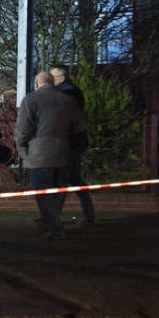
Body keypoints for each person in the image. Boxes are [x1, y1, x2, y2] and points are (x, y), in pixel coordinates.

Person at [15, 71, 87, 239]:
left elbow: (23, 129)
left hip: (39, 152)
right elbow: (79, 126)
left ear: (37, 84)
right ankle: (50, 223)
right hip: (63, 150)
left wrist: (22, 148)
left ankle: (55, 229)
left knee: (42, 193)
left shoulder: (31, 100)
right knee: (58, 191)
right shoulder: (67, 100)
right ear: (53, 83)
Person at [50, 65, 96, 225]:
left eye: (53, 77)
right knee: (74, 179)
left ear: (61, 78)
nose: (50, 81)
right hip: (74, 141)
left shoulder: (67, 93)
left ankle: (52, 218)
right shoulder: (70, 91)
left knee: (62, 180)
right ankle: (89, 214)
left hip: (69, 142)